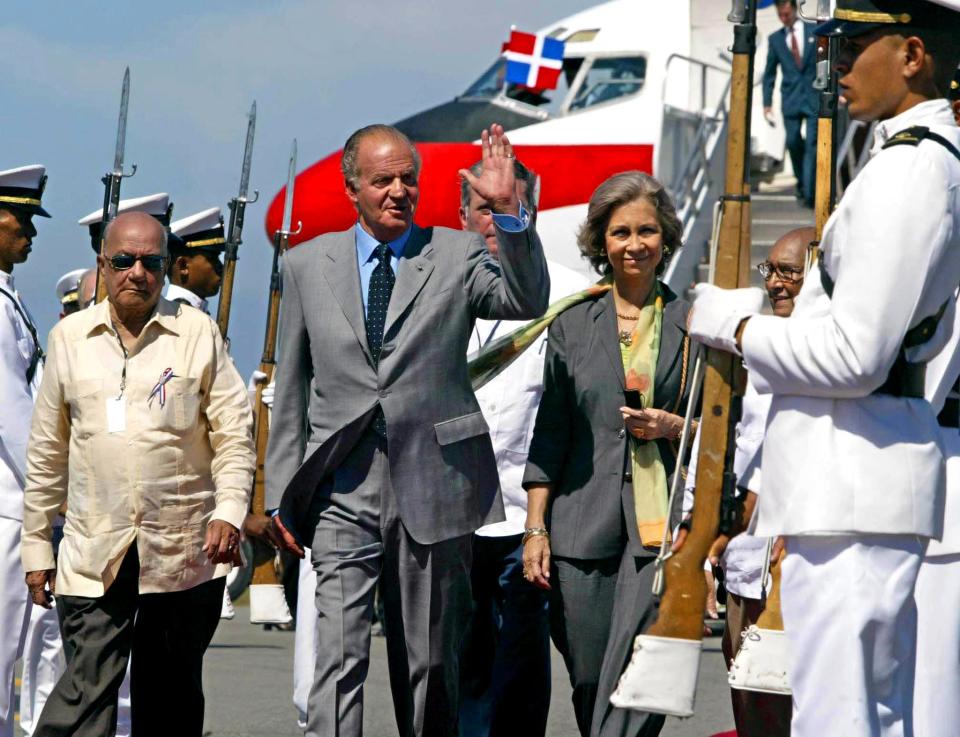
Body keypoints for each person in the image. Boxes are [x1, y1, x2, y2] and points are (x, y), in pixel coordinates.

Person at [690, 2, 960, 735]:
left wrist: (734, 325)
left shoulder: (908, 171)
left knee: (839, 721)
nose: (833, 61)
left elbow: (855, 356)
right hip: (853, 488)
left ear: (913, 54)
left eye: (852, 42)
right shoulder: (906, 160)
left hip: (854, 489)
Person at [265, 122, 549, 737]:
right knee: (336, 659)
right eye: (382, 180)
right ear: (352, 189)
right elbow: (291, 388)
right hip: (342, 489)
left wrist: (510, 213)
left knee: (426, 665)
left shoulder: (457, 252)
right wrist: (280, 496)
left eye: (408, 179)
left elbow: (526, 300)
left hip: (433, 486)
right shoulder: (307, 265)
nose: (398, 190)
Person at [21, 211, 256, 737]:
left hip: (181, 553)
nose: (138, 273)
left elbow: (234, 437)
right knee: (84, 695)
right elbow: (46, 454)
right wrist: (37, 548)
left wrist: (230, 512)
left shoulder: (196, 333)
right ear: (103, 266)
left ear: (168, 268)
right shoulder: (69, 338)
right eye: (124, 261)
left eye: (152, 262)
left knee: (169, 702)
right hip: (93, 551)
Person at [522, 171, 699, 737]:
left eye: (647, 230)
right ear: (601, 242)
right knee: (590, 678)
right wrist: (536, 529)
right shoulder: (574, 322)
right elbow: (550, 433)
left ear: (665, 239)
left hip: (659, 529)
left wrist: (674, 426)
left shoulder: (694, 321)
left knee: (642, 672)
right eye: (621, 232)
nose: (634, 244)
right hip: (580, 528)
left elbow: (721, 428)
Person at [457, 158, 589, 737]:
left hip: (528, 510)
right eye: (484, 208)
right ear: (462, 215)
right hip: (453, 509)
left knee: (522, 660)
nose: (493, 220)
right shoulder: (437, 285)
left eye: (508, 206)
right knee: (459, 658)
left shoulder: (573, 294)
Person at [683, 228, 814, 737]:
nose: (777, 284)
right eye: (771, 271)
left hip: (801, 566)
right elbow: (718, 445)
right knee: (751, 702)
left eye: (790, 273)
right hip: (745, 564)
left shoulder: (817, 352)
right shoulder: (749, 351)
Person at [0, 164, 49, 737]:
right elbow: (12, 412)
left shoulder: (7, 297)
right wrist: (53, 490)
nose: (31, 234)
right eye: (23, 218)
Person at [762, 0, 819, 207]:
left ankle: (810, 192)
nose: (784, 18)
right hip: (791, 100)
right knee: (794, 143)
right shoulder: (775, 39)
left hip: (813, 98)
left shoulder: (815, 31)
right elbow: (769, 74)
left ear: (794, 10)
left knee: (813, 144)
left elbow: (828, 63)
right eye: (780, 15)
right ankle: (803, 183)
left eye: (786, 14)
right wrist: (766, 103)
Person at [166, 207, 226, 315]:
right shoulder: (179, 315)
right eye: (212, 259)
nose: (221, 267)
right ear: (183, 266)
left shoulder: (193, 312)